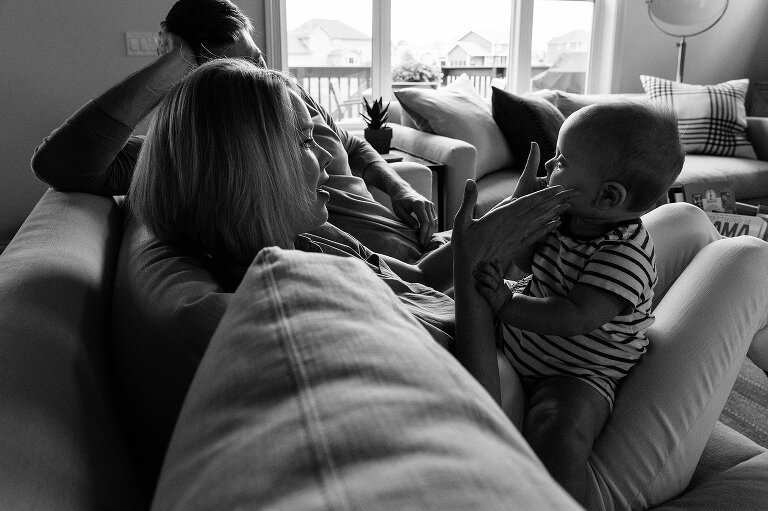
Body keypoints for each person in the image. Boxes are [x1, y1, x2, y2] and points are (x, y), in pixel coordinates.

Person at [33, 52, 768, 509]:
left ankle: (645, 325)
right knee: (745, 257)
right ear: (248, 174)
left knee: (682, 226)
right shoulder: (304, 289)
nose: (325, 157)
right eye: (302, 144)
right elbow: (474, 401)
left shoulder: (308, 235)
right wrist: (486, 263)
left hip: (537, 345)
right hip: (553, 438)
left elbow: (419, 279)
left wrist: (501, 224)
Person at [33, 0, 440, 263]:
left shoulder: (290, 94)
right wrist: (175, 61)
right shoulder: (210, 147)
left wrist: (401, 189)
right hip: (383, 265)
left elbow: (350, 143)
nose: (261, 77)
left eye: (258, 59)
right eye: (239, 72)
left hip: (407, 238)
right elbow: (60, 163)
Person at [469, 102, 684, 504]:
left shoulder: (624, 254)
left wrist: (505, 304)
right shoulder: (566, 217)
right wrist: (524, 218)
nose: (551, 163)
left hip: (577, 372)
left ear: (607, 196)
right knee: (451, 310)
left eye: (562, 160)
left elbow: (574, 316)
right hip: (519, 339)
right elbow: (527, 261)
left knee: (559, 428)